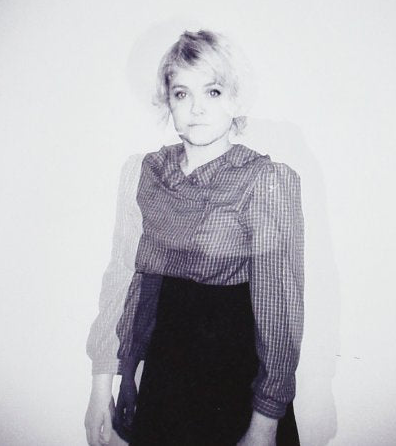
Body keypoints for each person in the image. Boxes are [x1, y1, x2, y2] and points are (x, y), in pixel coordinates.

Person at [85, 30, 305, 446]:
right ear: (167, 101)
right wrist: (102, 388)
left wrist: (264, 425)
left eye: (213, 91)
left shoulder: (265, 180)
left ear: (235, 99)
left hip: (233, 375)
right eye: (182, 94)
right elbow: (122, 279)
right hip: (164, 371)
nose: (196, 108)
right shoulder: (143, 173)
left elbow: (279, 312)